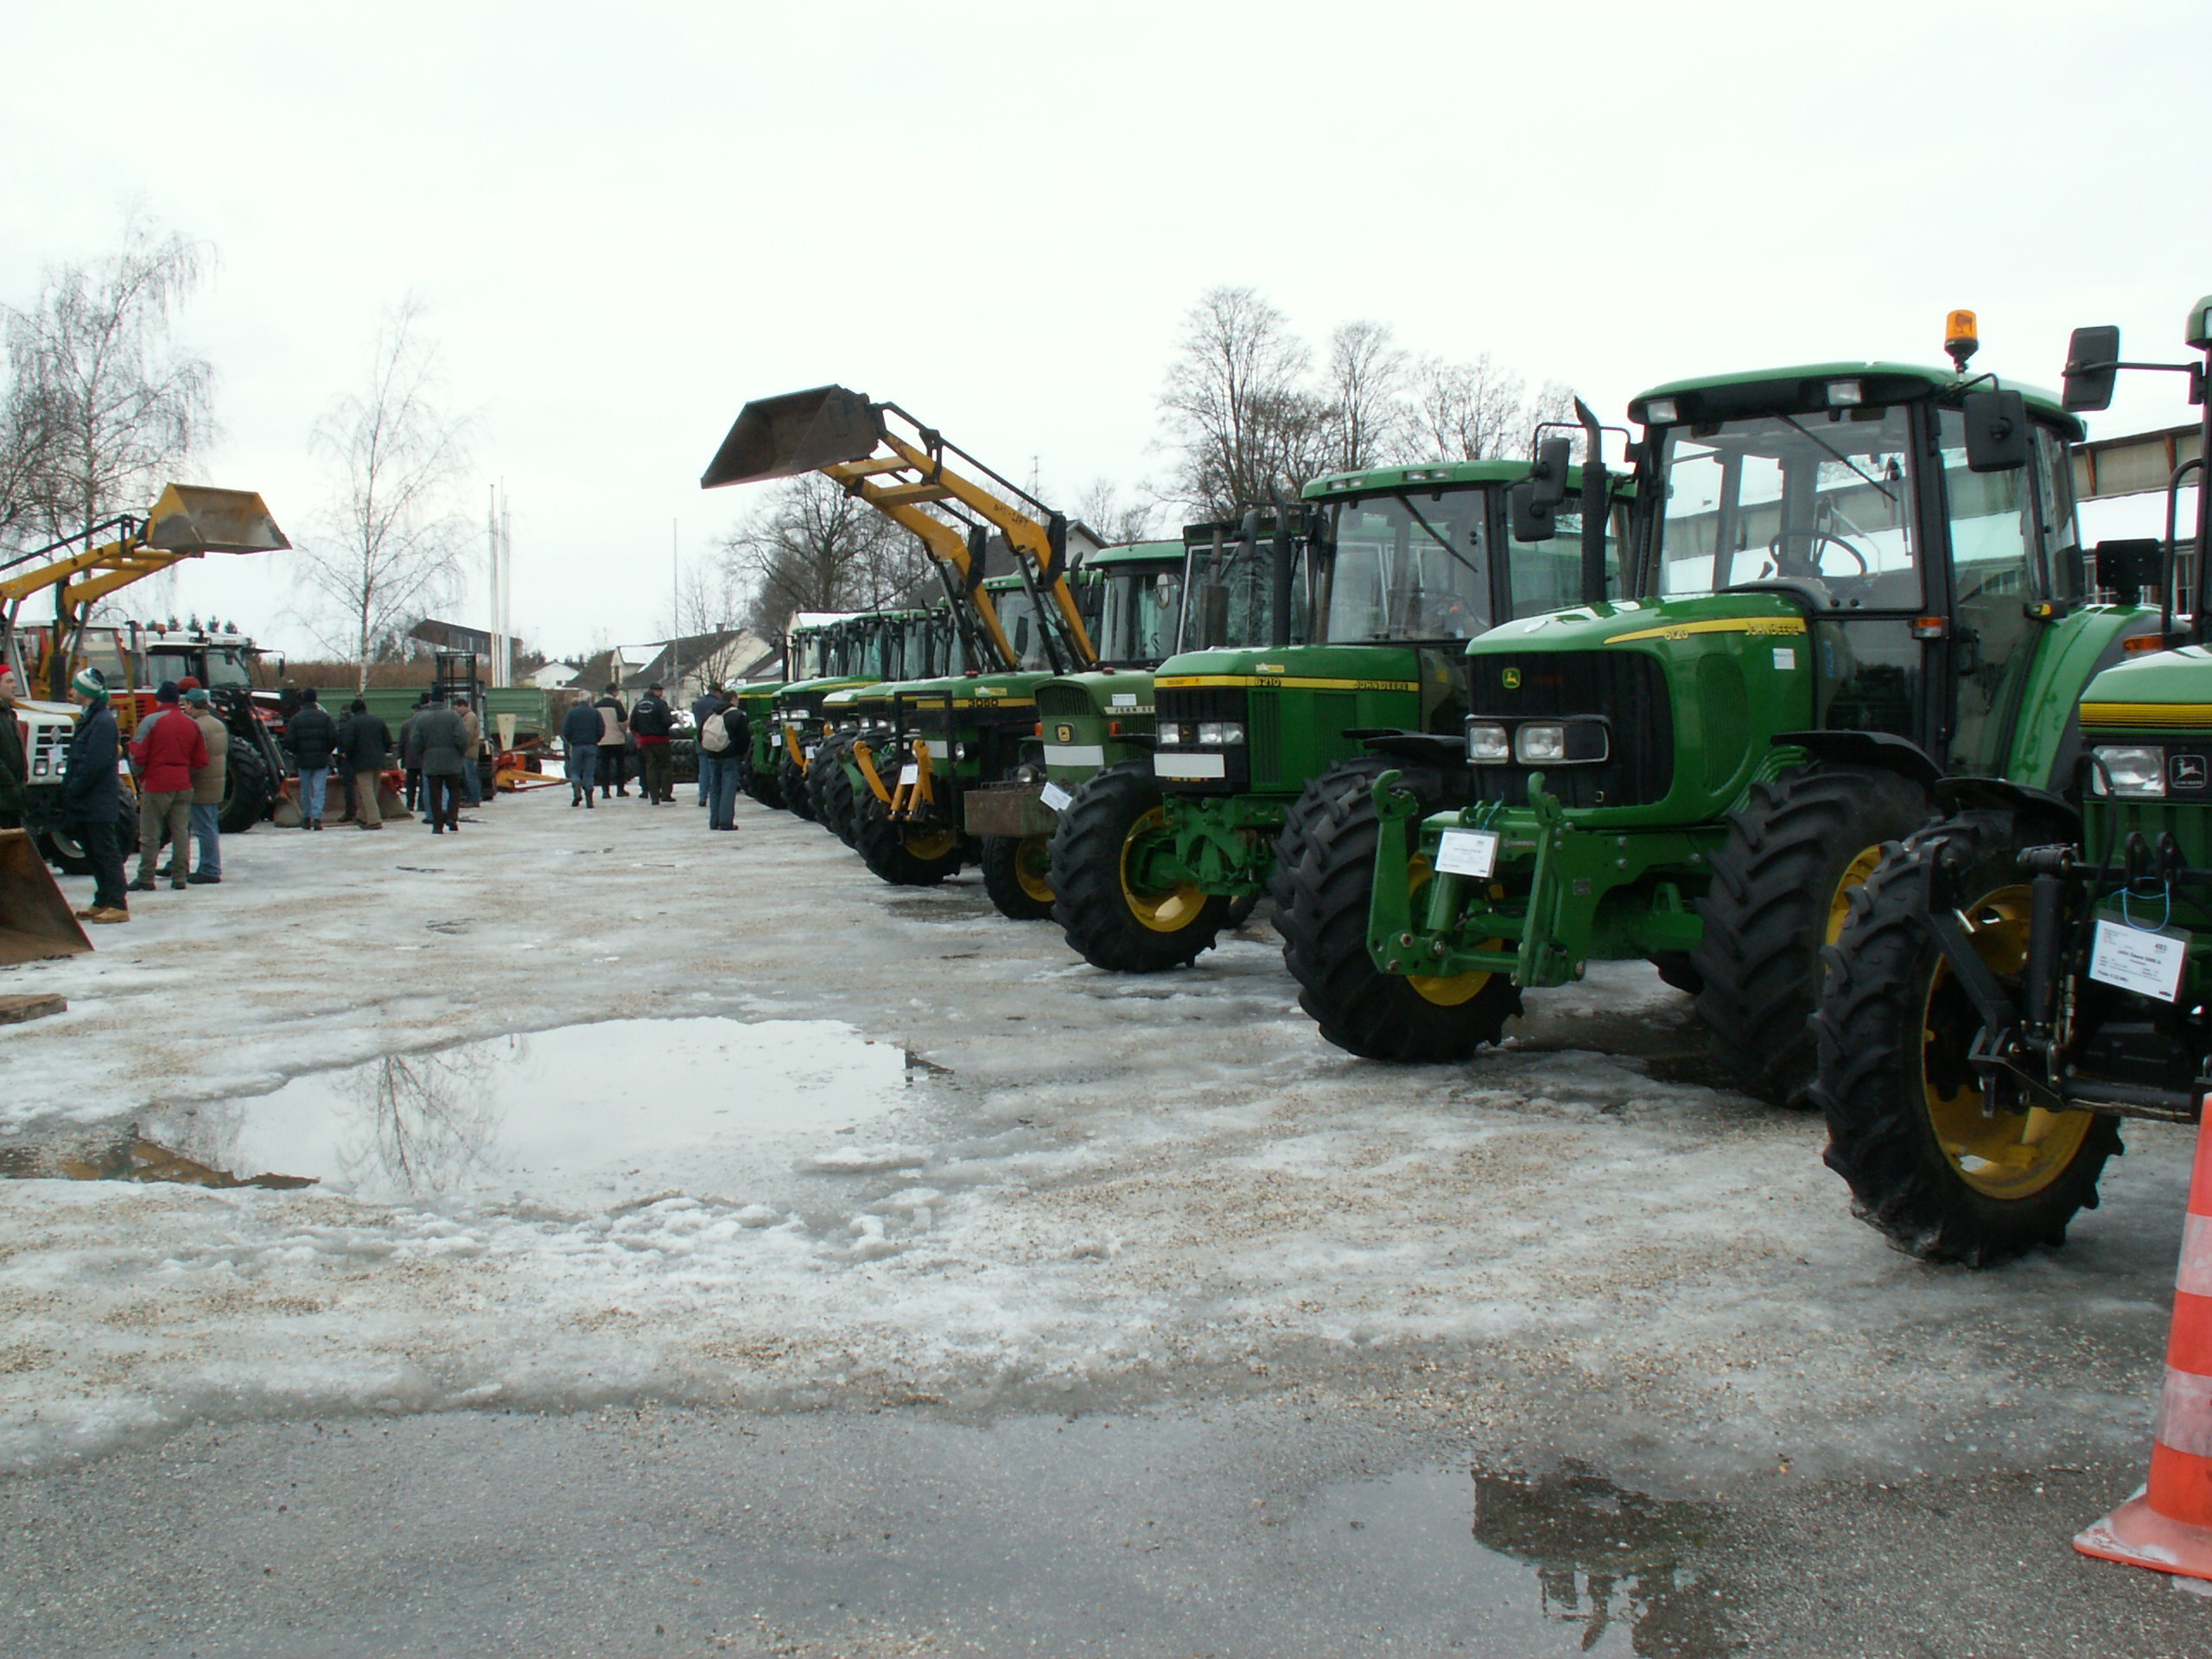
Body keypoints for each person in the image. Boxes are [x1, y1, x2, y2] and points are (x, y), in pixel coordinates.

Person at [61, 668, 128, 923]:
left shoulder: (101, 722)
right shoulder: (90, 718)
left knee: (105, 852)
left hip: (97, 800)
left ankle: (117, 903)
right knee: (93, 852)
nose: (71, 691)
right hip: (88, 800)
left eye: (75, 687)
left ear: (86, 691)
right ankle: (102, 899)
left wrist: (74, 789)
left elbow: (93, 764)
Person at [129, 681, 206, 892]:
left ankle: (146, 877)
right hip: (183, 784)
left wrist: (140, 775)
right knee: (181, 833)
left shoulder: (151, 721)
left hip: (156, 783)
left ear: (159, 699)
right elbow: (201, 760)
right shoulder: (191, 724)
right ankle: (180, 877)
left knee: (150, 834)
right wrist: (185, 772)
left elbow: (137, 754)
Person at [181, 687, 227, 883]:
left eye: (186, 705)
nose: (184, 708)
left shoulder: (196, 726)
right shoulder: (217, 724)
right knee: (210, 825)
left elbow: (196, 757)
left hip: (201, 783)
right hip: (216, 782)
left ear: (192, 705)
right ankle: (210, 866)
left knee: (204, 829)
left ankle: (209, 869)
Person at [334, 698, 393, 830]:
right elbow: (388, 741)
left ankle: (374, 821)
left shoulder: (352, 724)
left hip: (362, 762)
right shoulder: (378, 721)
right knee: (373, 790)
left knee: (366, 792)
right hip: (378, 761)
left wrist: (348, 756)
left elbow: (349, 744)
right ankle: (362, 816)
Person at [413, 693, 467, 833]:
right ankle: (452, 818)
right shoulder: (454, 716)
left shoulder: (421, 718)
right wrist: (460, 753)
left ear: (431, 701)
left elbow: (415, 741)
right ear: (444, 700)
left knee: (434, 793)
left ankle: (437, 825)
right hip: (452, 760)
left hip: (431, 761)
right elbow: (461, 737)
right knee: (454, 790)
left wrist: (424, 754)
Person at [286, 687, 337, 830]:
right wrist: (326, 751)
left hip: (303, 760)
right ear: (315, 700)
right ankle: (317, 818)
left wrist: (297, 752)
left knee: (305, 790)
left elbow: (289, 740)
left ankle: (306, 817)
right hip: (321, 759)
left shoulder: (296, 718)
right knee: (319, 789)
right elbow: (333, 738)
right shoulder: (325, 718)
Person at [703, 690, 748, 832]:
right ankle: (726, 821)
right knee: (728, 788)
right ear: (733, 699)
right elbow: (744, 738)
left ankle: (714, 821)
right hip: (730, 756)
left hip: (712, 755)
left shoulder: (710, 714)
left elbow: (701, 734)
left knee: (715, 788)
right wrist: (740, 753)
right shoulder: (737, 715)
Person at [631, 681, 675, 804]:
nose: (661, 693)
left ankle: (654, 797)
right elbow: (667, 721)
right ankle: (666, 794)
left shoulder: (638, 705)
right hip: (660, 739)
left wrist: (641, 734)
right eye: (660, 691)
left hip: (645, 740)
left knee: (651, 767)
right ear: (655, 691)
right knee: (666, 766)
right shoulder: (660, 704)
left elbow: (633, 724)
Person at [560, 691, 602, 807]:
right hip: (591, 745)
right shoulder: (595, 713)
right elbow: (601, 729)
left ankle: (577, 790)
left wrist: (571, 741)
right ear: (589, 700)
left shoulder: (572, 713)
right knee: (589, 772)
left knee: (575, 770)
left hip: (577, 746)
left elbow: (566, 730)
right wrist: (595, 740)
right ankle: (589, 798)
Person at [0, 666, 27, 830]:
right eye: (9, 681)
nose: (14, 685)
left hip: (12, 800)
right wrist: (11, 785)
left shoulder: (9, 714)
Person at [594, 683, 629, 798]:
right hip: (617, 739)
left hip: (602, 740)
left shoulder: (597, 705)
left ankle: (605, 791)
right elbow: (623, 721)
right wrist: (623, 732)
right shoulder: (616, 704)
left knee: (605, 766)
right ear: (615, 692)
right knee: (620, 765)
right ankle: (620, 790)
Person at [690, 684, 724, 805]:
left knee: (703, 770)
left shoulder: (697, 704)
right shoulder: (719, 704)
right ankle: (716, 795)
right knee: (716, 770)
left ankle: (702, 796)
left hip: (701, 738)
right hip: (716, 739)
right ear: (717, 692)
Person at [398, 693, 429, 813]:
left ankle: (410, 804)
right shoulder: (426, 721)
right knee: (423, 783)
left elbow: (402, 743)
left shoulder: (406, 724)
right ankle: (422, 805)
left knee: (410, 784)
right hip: (423, 758)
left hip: (410, 759)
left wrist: (401, 757)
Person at [455, 695, 483, 808]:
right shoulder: (468, 717)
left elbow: (467, 735)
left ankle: (474, 800)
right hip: (469, 751)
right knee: (469, 776)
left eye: (457, 708)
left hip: (469, 752)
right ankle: (471, 799)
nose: (456, 711)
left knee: (470, 776)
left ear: (464, 706)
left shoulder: (469, 718)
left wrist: (461, 747)